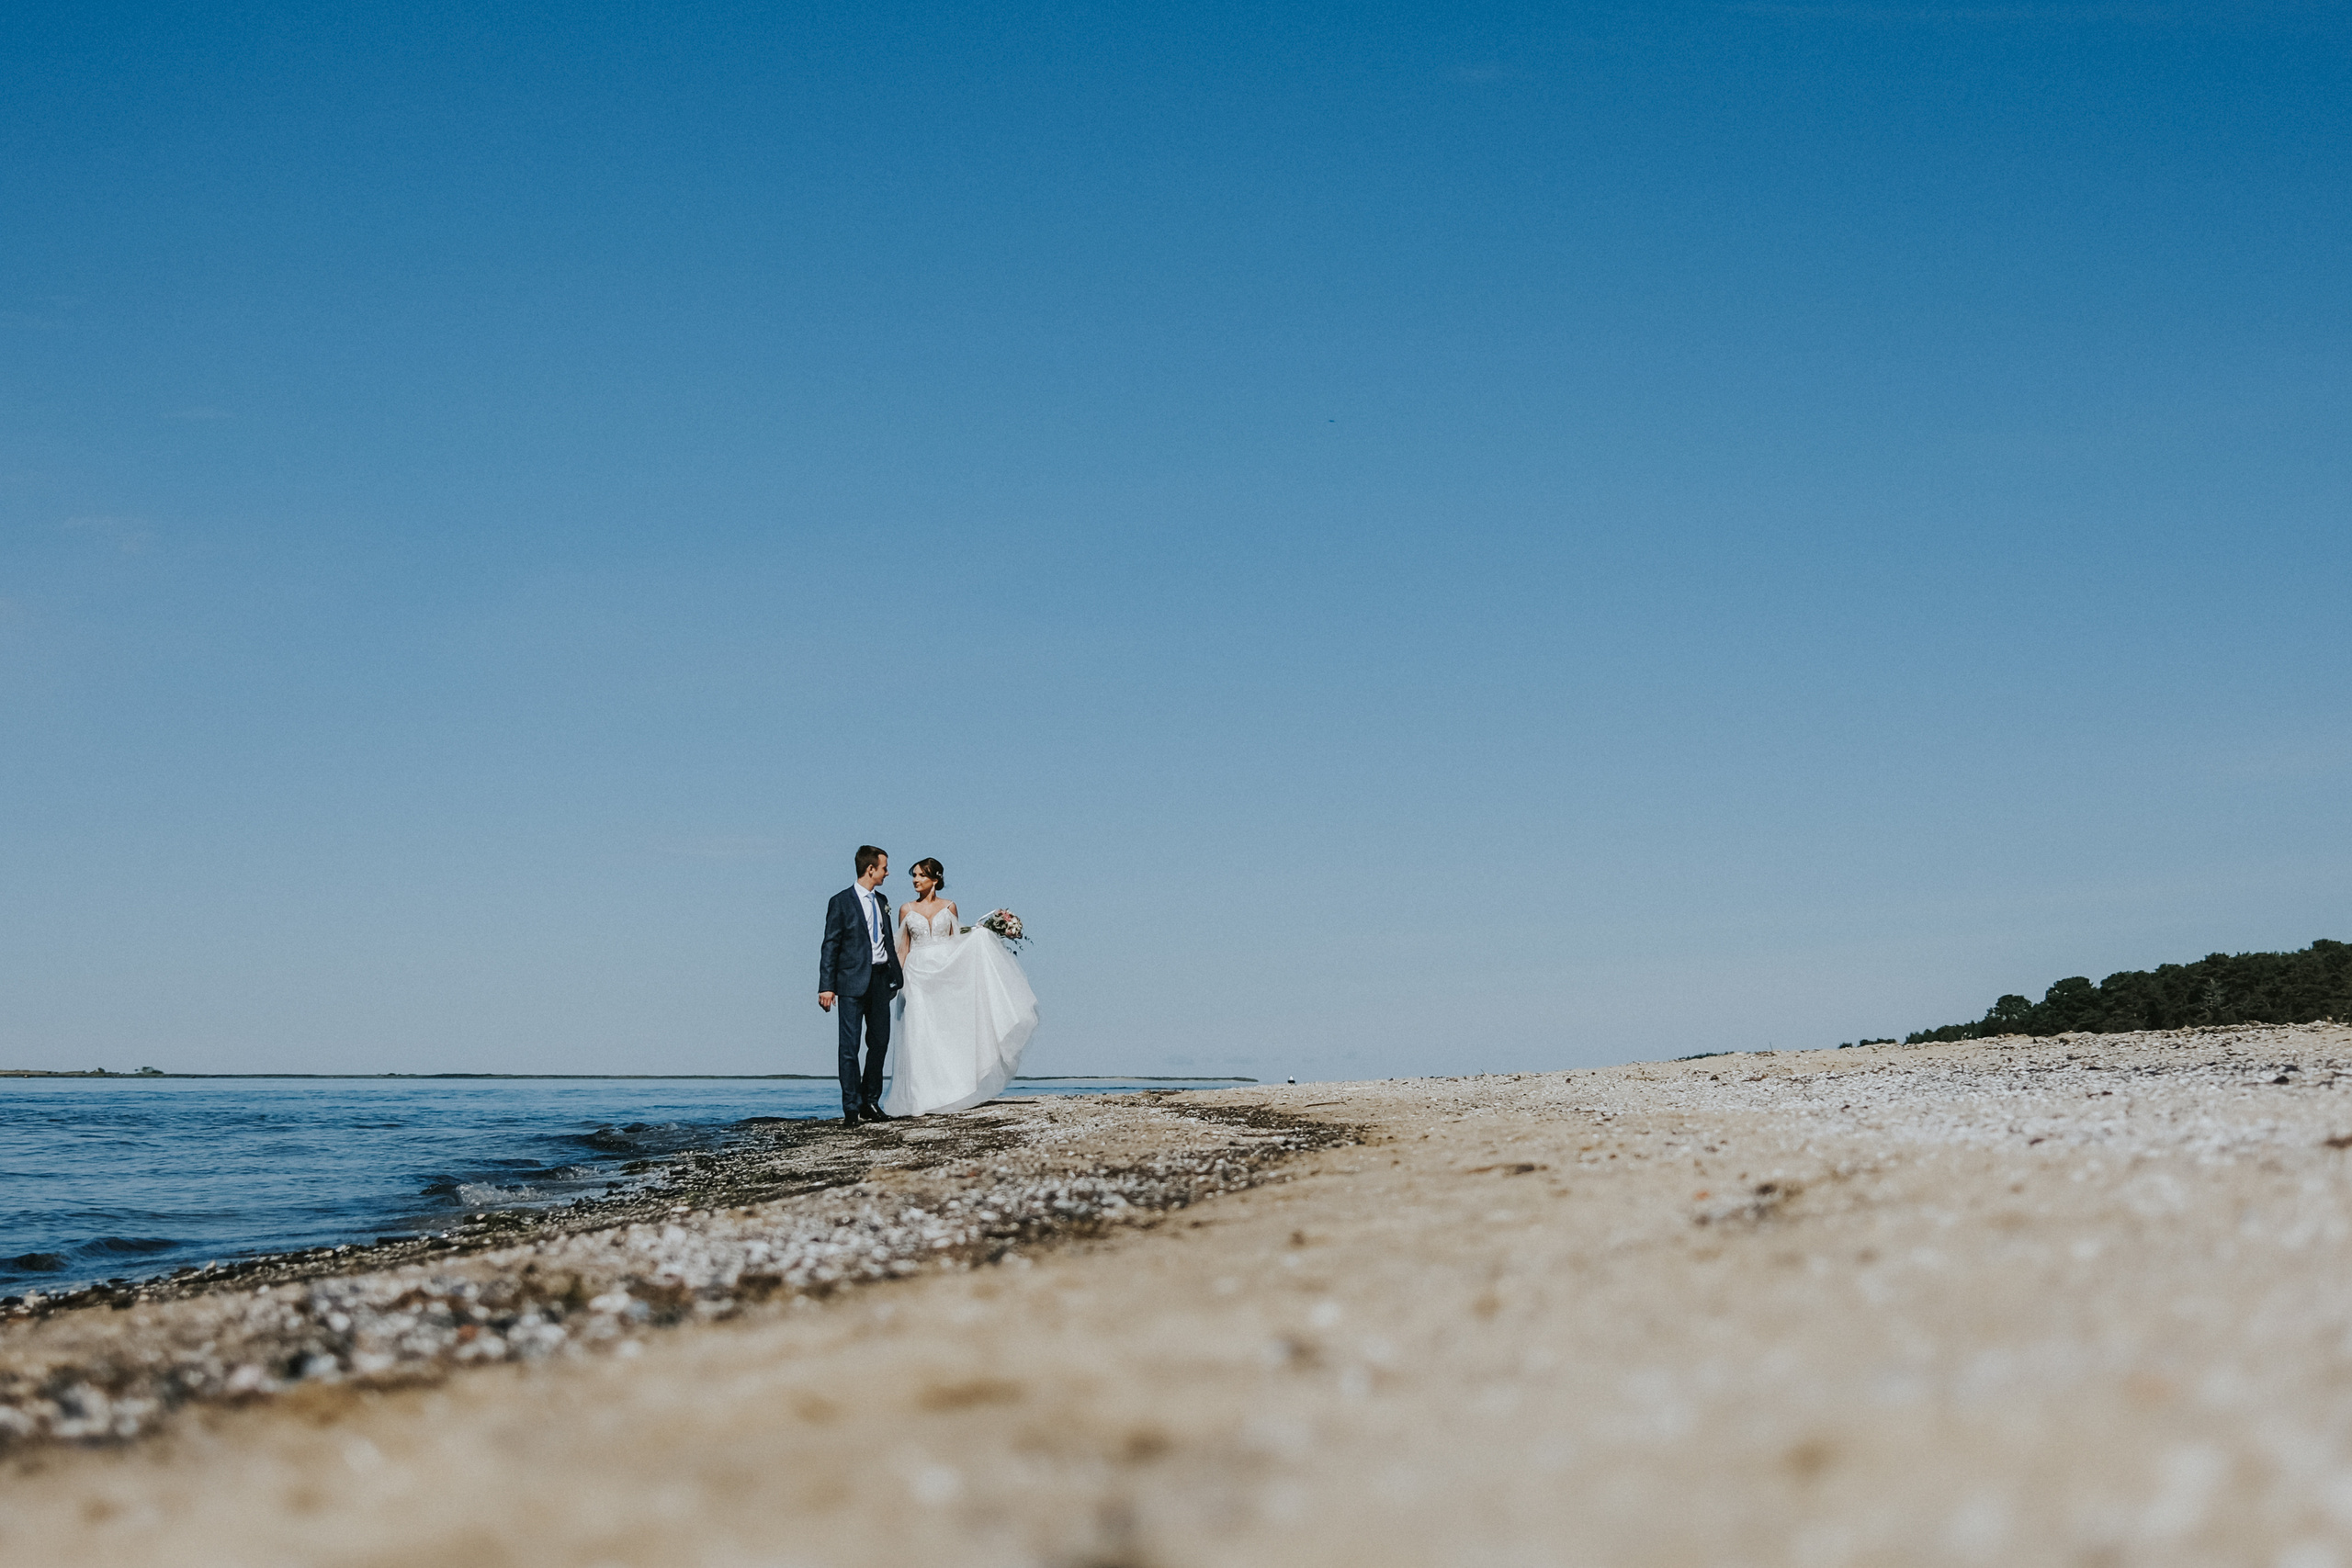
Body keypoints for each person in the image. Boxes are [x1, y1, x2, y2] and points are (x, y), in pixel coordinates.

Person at [880, 856, 1038, 1117]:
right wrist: (895, 980)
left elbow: (957, 943)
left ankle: (951, 1092)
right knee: (918, 1032)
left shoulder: (950, 906)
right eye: (914, 875)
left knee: (946, 1032)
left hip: (945, 974)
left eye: (920, 875)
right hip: (916, 975)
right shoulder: (906, 909)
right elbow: (903, 949)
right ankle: (921, 1098)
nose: (915, 880)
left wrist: (981, 934)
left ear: (935, 878)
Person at [818, 846, 902, 1127]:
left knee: (879, 1043)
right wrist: (826, 986)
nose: (887, 872)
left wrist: (896, 976)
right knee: (849, 1047)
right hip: (851, 983)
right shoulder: (840, 902)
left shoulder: (883, 901)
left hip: (880, 980)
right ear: (871, 869)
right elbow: (831, 945)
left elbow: (888, 940)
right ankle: (851, 1107)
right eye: (884, 868)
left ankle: (870, 1101)